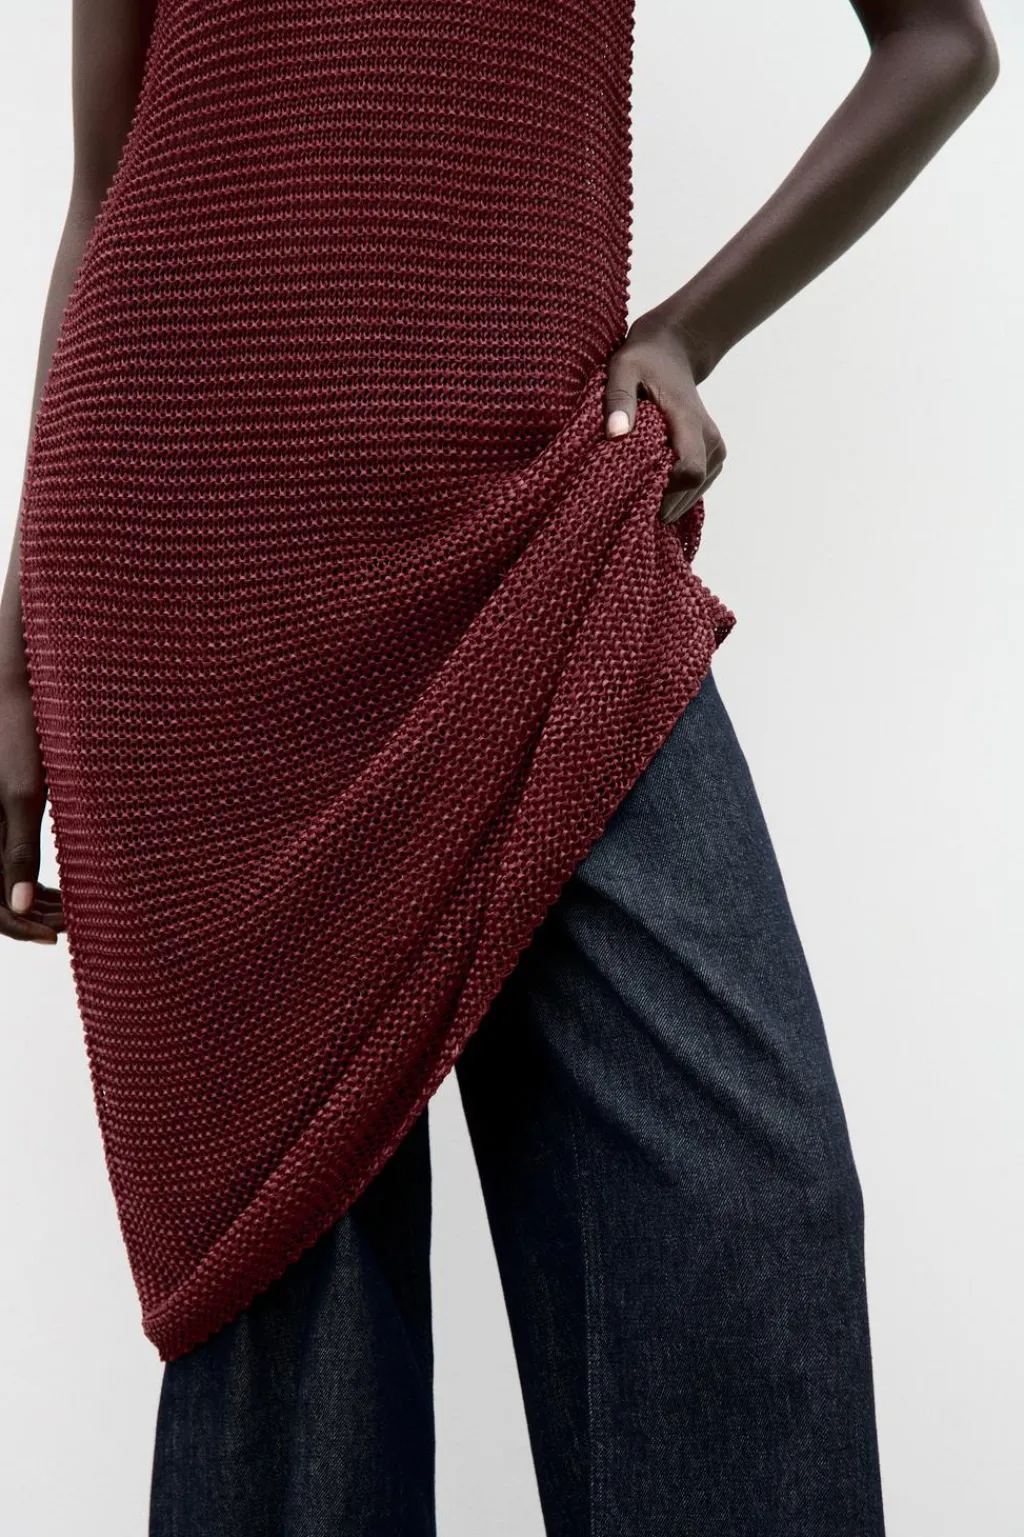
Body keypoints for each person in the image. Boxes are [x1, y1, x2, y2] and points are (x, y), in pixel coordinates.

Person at [1, 2, 998, 1533]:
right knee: (294, 1337)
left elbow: (943, 44)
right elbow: (106, 177)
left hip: (539, 522)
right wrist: (15, 664)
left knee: (749, 1219)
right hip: (188, 565)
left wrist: (688, 330)